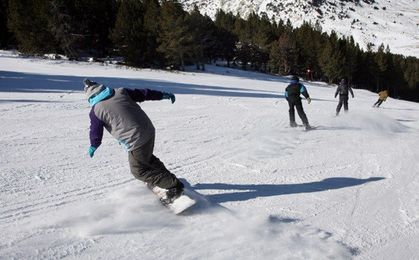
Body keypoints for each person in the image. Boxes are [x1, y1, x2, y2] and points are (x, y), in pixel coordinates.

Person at [84, 79, 184, 204]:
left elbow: (95, 131)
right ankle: (166, 178)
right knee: (146, 159)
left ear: (89, 97)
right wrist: (163, 95)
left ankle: (173, 186)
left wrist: (94, 145)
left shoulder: (96, 111)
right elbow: (144, 93)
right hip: (148, 131)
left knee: (138, 171)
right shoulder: (120, 92)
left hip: (135, 140)